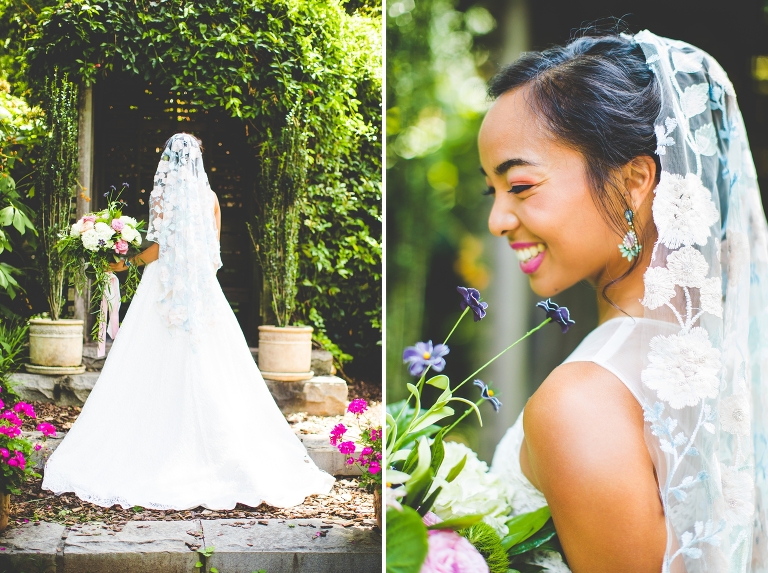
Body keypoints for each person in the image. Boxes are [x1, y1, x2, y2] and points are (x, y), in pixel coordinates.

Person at [483, 30, 768, 572]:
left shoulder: (580, 402)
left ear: (635, 178)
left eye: (519, 186)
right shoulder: (728, 359)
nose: (498, 220)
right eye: (490, 191)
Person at [42, 133, 335, 510]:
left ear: (168, 161)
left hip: (163, 287)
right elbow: (212, 254)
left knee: (146, 362)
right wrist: (194, 277)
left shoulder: (164, 196)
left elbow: (159, 247)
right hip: (201, 290)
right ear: (198, 159)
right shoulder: (211, 199)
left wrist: (125, 262)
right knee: (213, 363)